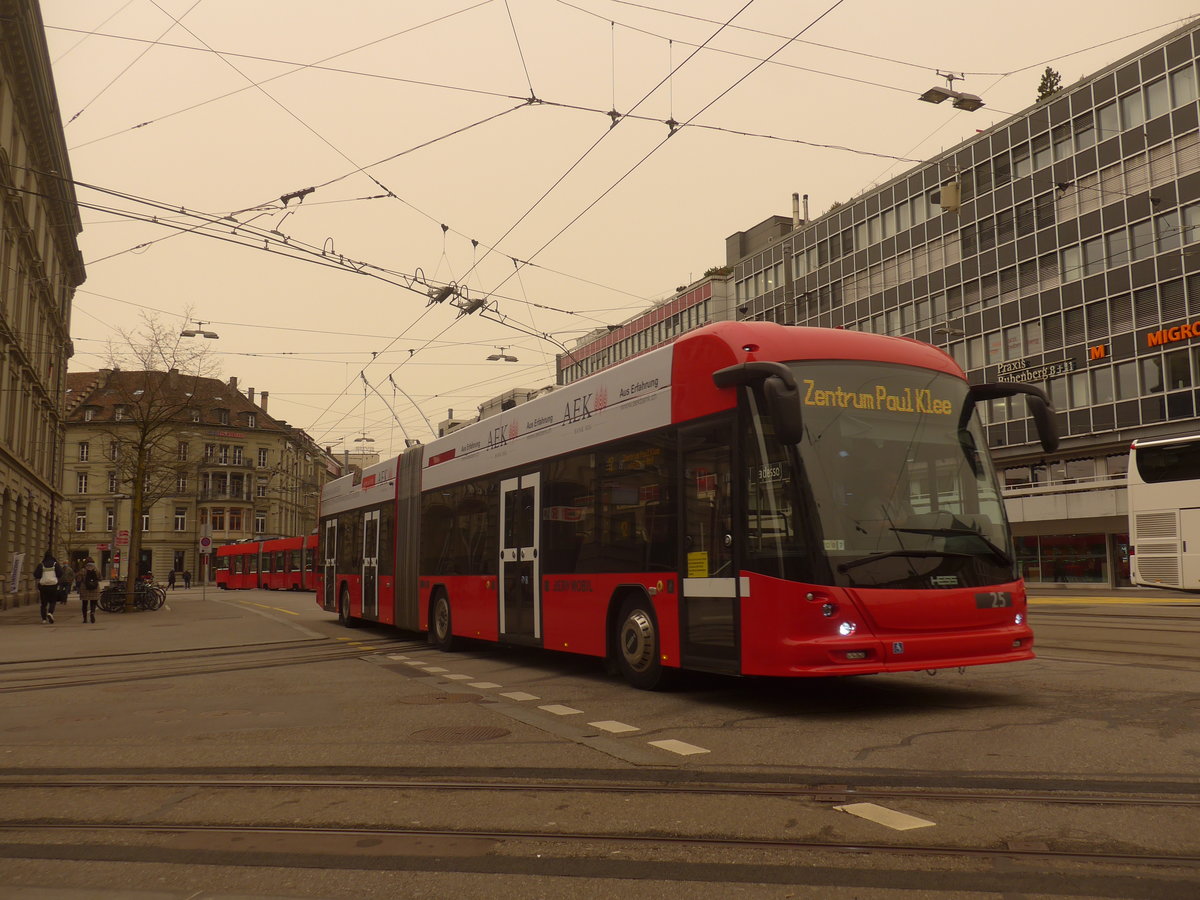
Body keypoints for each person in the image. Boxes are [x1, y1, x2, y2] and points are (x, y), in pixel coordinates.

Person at [33, 552, 63, 624]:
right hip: (53, 585)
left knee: (43, 603)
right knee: (53, 601)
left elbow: (36, 574)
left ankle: (44, 619)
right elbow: (60, 573)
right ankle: (50, 613)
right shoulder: (55, 564)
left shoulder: (41, 564)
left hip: (43, 586)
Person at [79, 557, 101, 624]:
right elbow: (100, 578)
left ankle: (85, 618)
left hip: (85, 588)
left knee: (84, 604)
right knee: (93, 602)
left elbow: (79, 579)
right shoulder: (97, 570)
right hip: (95, 588)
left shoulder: (83, 570)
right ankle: (92, 613)